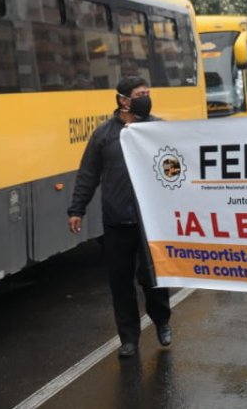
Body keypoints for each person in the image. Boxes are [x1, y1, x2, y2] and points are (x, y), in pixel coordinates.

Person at [68, 76, 171, 358]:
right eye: (140, 93)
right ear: (123, 100)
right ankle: (129, 339)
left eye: (148, 92)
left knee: (153, 277)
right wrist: (77, 209)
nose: (146, 97)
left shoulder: (158, 129)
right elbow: (88, 174)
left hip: (150, 222)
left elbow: (175, 166)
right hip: (116, 222)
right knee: (120, 282)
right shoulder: (104, 135)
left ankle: (162, 321)